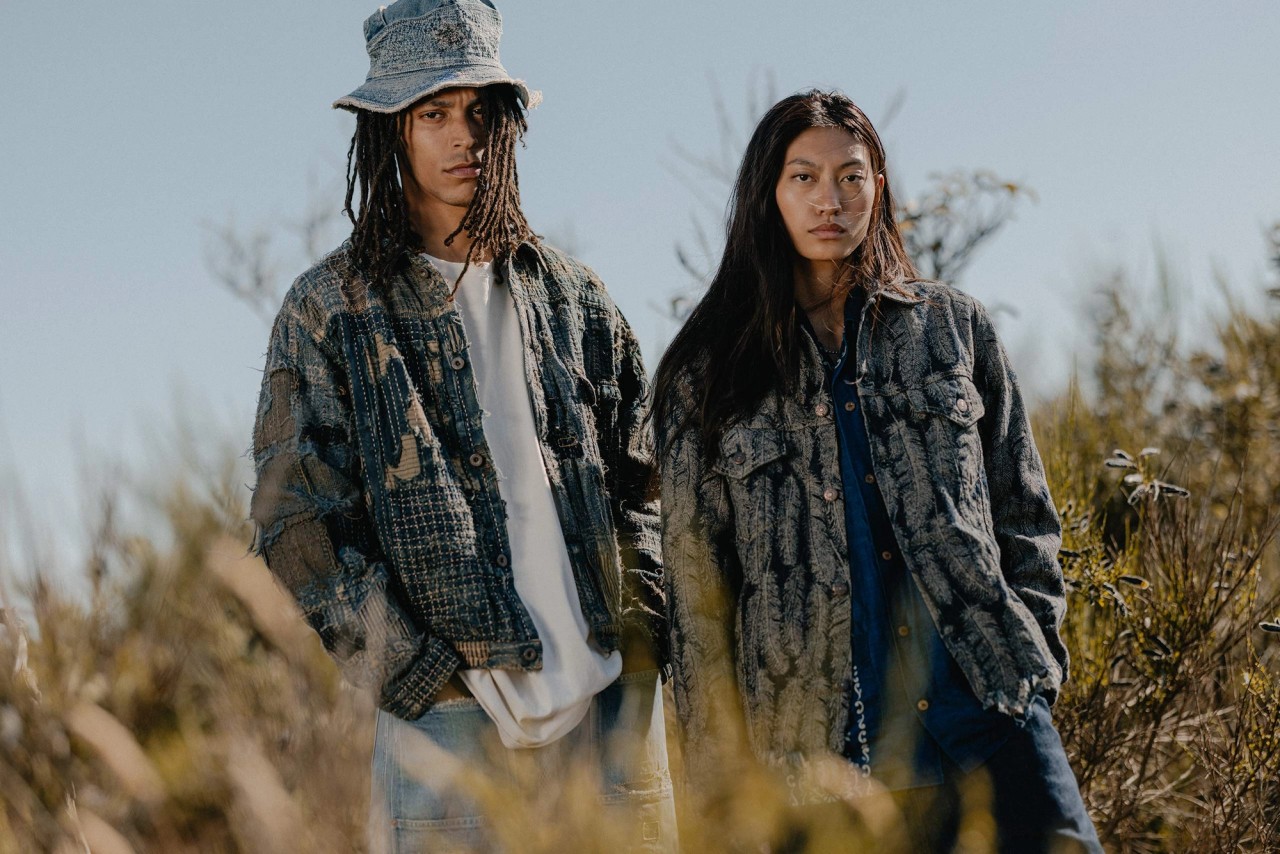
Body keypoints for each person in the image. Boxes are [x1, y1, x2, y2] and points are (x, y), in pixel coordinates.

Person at [249, 1, 674, 850]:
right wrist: (424, 678)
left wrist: (640, 633)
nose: (463, 137)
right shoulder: (331, 307)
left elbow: (649, 477)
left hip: (610, 711)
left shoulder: (574, 297)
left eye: (480, 112)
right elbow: (293, 519)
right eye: (434, 113)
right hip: (449, 730)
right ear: (389, 132)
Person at [652, 89, 1102, 853]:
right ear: (768, 195)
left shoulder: (953, 329)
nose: (831, 199)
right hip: (815, 756)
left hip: (986, 717)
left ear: (879, 187)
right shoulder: (709, 374)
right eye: (803, 178)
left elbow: (1024, 512)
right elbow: (698, 599)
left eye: (851, 176)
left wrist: (1033, 651)